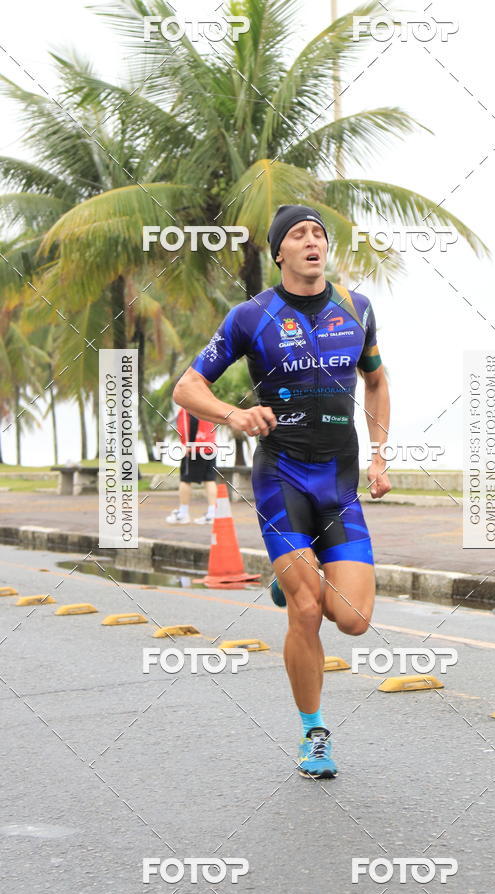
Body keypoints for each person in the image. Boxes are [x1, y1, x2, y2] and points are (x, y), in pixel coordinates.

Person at [173, 204, 391, 778]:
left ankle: (285, 575)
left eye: (319, 234)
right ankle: (313, 733)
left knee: (352, 620)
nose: (312, 241)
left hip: (340, 480)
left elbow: (376, 380)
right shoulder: (252, 316)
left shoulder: (357, 308)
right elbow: (187, 387)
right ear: (280, 253)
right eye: (299, 234)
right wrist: (233, 416)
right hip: (283, 474)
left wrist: (380, 453)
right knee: (306, 606)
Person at [165, 407, 217, 525]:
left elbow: (184, 427)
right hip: (210, 447)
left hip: (195, 448)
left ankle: (183, 514)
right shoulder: (207, 406)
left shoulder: (186, 408)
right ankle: (212, 514)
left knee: (185, 480)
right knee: (209, 479)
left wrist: (186, 445)